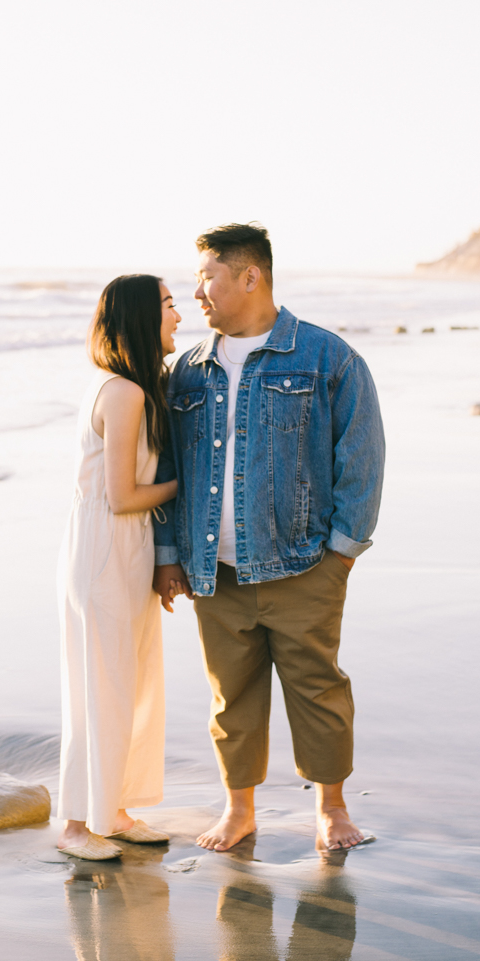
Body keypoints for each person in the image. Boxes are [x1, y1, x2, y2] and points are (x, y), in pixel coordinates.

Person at [153, 224, 385, 852]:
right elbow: (167, 467)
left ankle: (331, 809)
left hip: (304, 564)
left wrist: (341, 553)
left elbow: (361, 460)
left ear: (249, 275)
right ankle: (239, 810)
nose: (196, 292)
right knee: (232, 698)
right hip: (215, 572)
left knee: (318, 689)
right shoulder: (188, 371)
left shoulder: (326, 358)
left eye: (207, 276)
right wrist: (170, 555)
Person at [57, 274, 182, 860]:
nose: (179, 314)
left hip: (119, 545)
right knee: (99, 685)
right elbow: (125, 495)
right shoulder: (124, 393)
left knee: (125, 682)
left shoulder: (130, 386)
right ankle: (78, 826)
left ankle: (114, 810)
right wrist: (189, 486)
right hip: (108, 544)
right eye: (168, 304)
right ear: (140, 317)